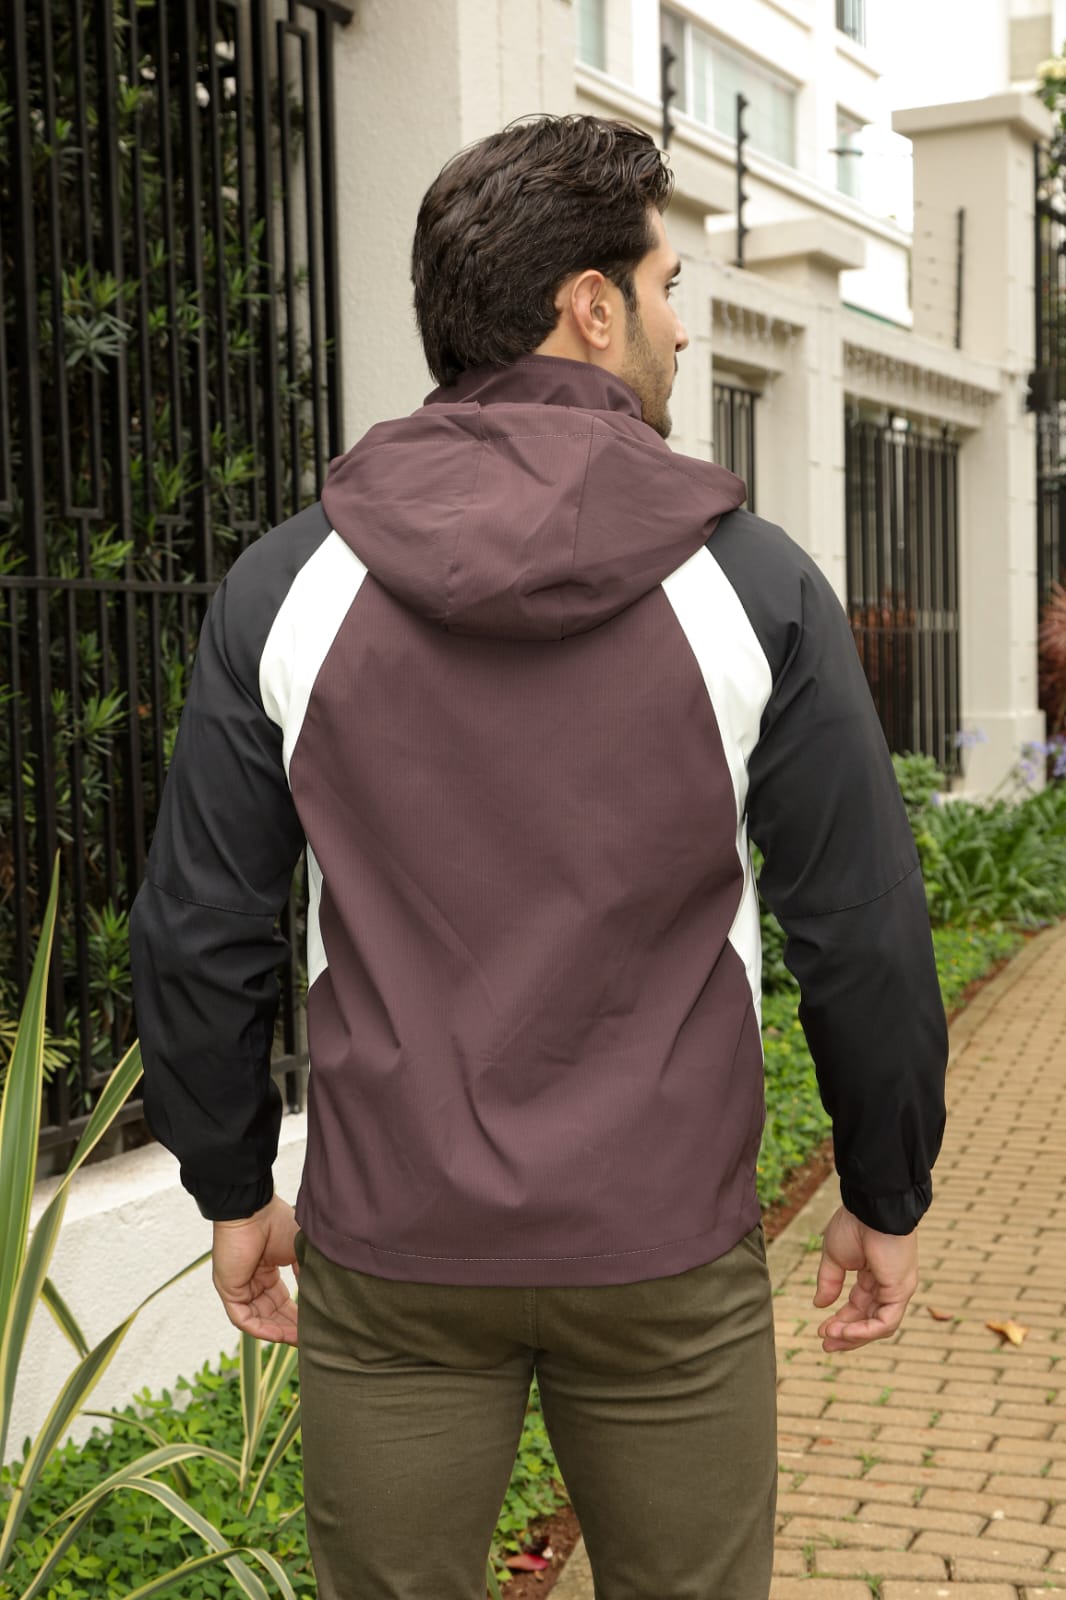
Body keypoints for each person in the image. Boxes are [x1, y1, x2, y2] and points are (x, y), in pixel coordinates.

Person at [129, 114, 948, 1600]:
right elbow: (860, 924)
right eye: (668, 286)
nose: (682, 325)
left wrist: (231, 1186)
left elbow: (203, 922)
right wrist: (885, 1190)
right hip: (663, 1253)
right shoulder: (752, 585)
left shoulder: (289, 584)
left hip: (395, 1248)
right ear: (591, 306)